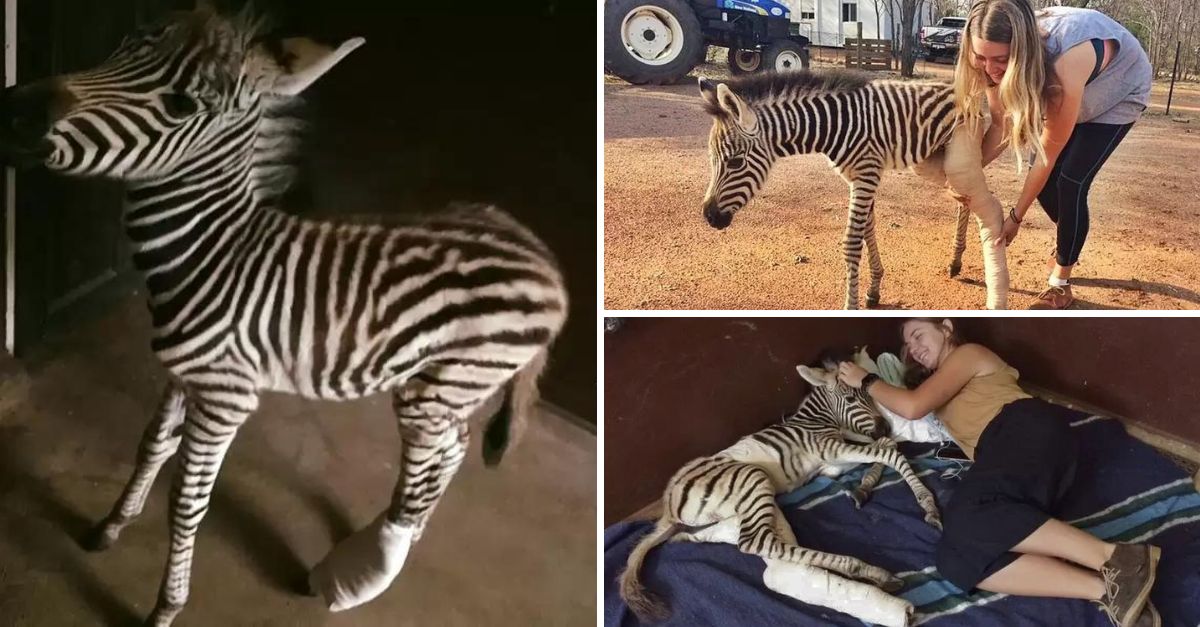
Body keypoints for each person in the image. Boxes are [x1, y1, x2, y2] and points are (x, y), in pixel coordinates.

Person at [836, 318, 1160, 627]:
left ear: (947, 329)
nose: (914, 348)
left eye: (919, 335)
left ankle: (1116, 557)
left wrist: (865, 379)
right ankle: (1109, 591)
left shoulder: (967, 354)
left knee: (972, 509)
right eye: (908, 346)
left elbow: (911, 406)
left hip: (1023, 428)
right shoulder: (938, 386)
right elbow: (907, 411)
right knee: (956, 560)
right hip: (1012, 458)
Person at [954, 0, 1151, 309]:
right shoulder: (991, 65)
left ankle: (1060, 282)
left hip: (1118, 92)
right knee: (1047, 188)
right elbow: (1001, 126)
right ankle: (1070, 241)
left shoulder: (1064, 63)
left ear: (1021, 52)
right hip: (1076, 87)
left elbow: (1048, 152)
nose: (990, 70)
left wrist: (1015, 217)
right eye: (981, 57)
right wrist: (965, 174)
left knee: (1071, 181)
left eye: (1001, 60)